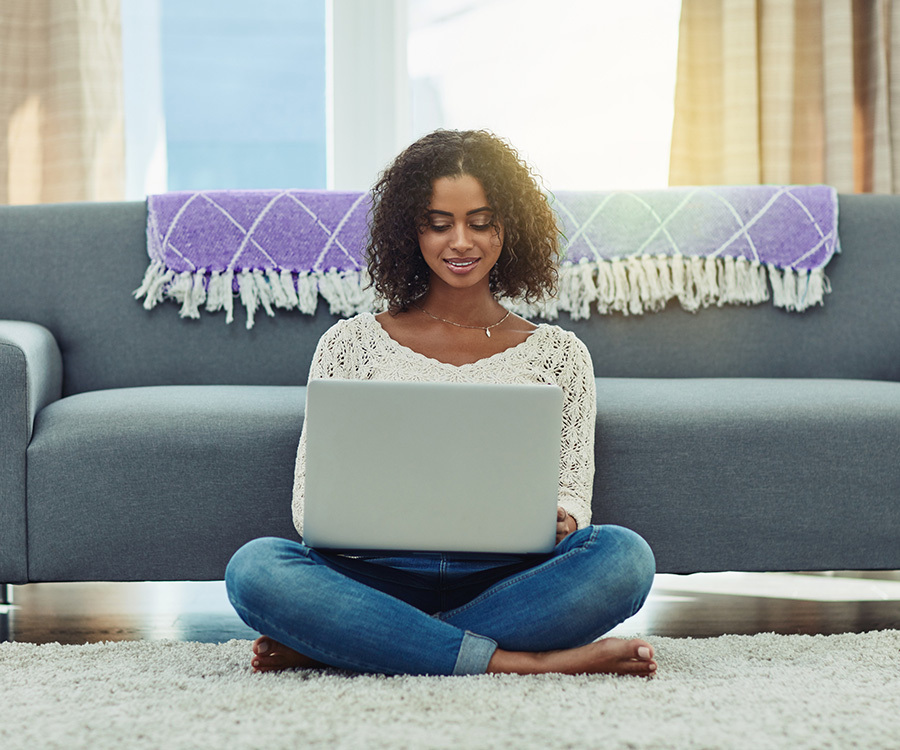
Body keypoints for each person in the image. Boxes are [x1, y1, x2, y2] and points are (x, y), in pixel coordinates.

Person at [225, 129, 657, 677]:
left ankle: (362, 640)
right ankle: (515, 663)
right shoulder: (348, 344)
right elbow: (308, 506)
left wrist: (563, 520)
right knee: (255, 568)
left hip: (505, 578)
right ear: (412, 230)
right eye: (439, 224)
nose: (461, 242)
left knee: (625, 558)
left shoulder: (559, 354)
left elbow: (573, 497)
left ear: (511, 227)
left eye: (481, 223)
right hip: (374, 574)